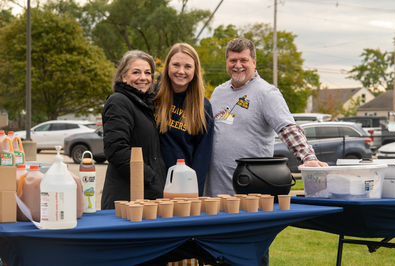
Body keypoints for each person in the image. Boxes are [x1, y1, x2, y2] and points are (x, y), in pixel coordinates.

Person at [204, 37, 328, 265]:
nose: (238, 65)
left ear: (254, 61)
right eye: (233, 60)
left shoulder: (267, 93)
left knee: (251, 257)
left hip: (251, 195)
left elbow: (288, 128)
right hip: (217, 196)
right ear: (226, 62)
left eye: (243, 60)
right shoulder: (218, 93)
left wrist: (308, 157)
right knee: (218, 257)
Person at [101, 50, 167, 210]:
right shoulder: (119, 102)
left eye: (148, 73)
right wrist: (151, 178)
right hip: (126, 199)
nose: (143, 77)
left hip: (147, 195)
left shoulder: (144, 105)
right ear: (123, 76)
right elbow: (116, 150)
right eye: (136, 72)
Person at [154, 43, 214, 197]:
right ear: (167, 67)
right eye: (176, 65)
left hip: (180, 187)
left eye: (188, 66)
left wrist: (194, 195)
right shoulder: (152, 95)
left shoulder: (203, 107)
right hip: (150, 181)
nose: (181, 71)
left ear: (195, 71)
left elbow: (202, 157)